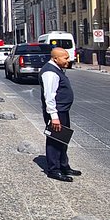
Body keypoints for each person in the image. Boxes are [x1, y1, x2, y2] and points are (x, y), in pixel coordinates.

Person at [39, 47, 81, 182]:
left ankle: (64, 166)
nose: (68, 60)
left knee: (63, 140)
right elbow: (49, 96)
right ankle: (54, 169)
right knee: (54, 141)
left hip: (62, 110)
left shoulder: (57, 69)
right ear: (55, 58)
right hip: (56, 113)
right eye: (65, 58)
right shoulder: (50, 72)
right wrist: (54, 117)